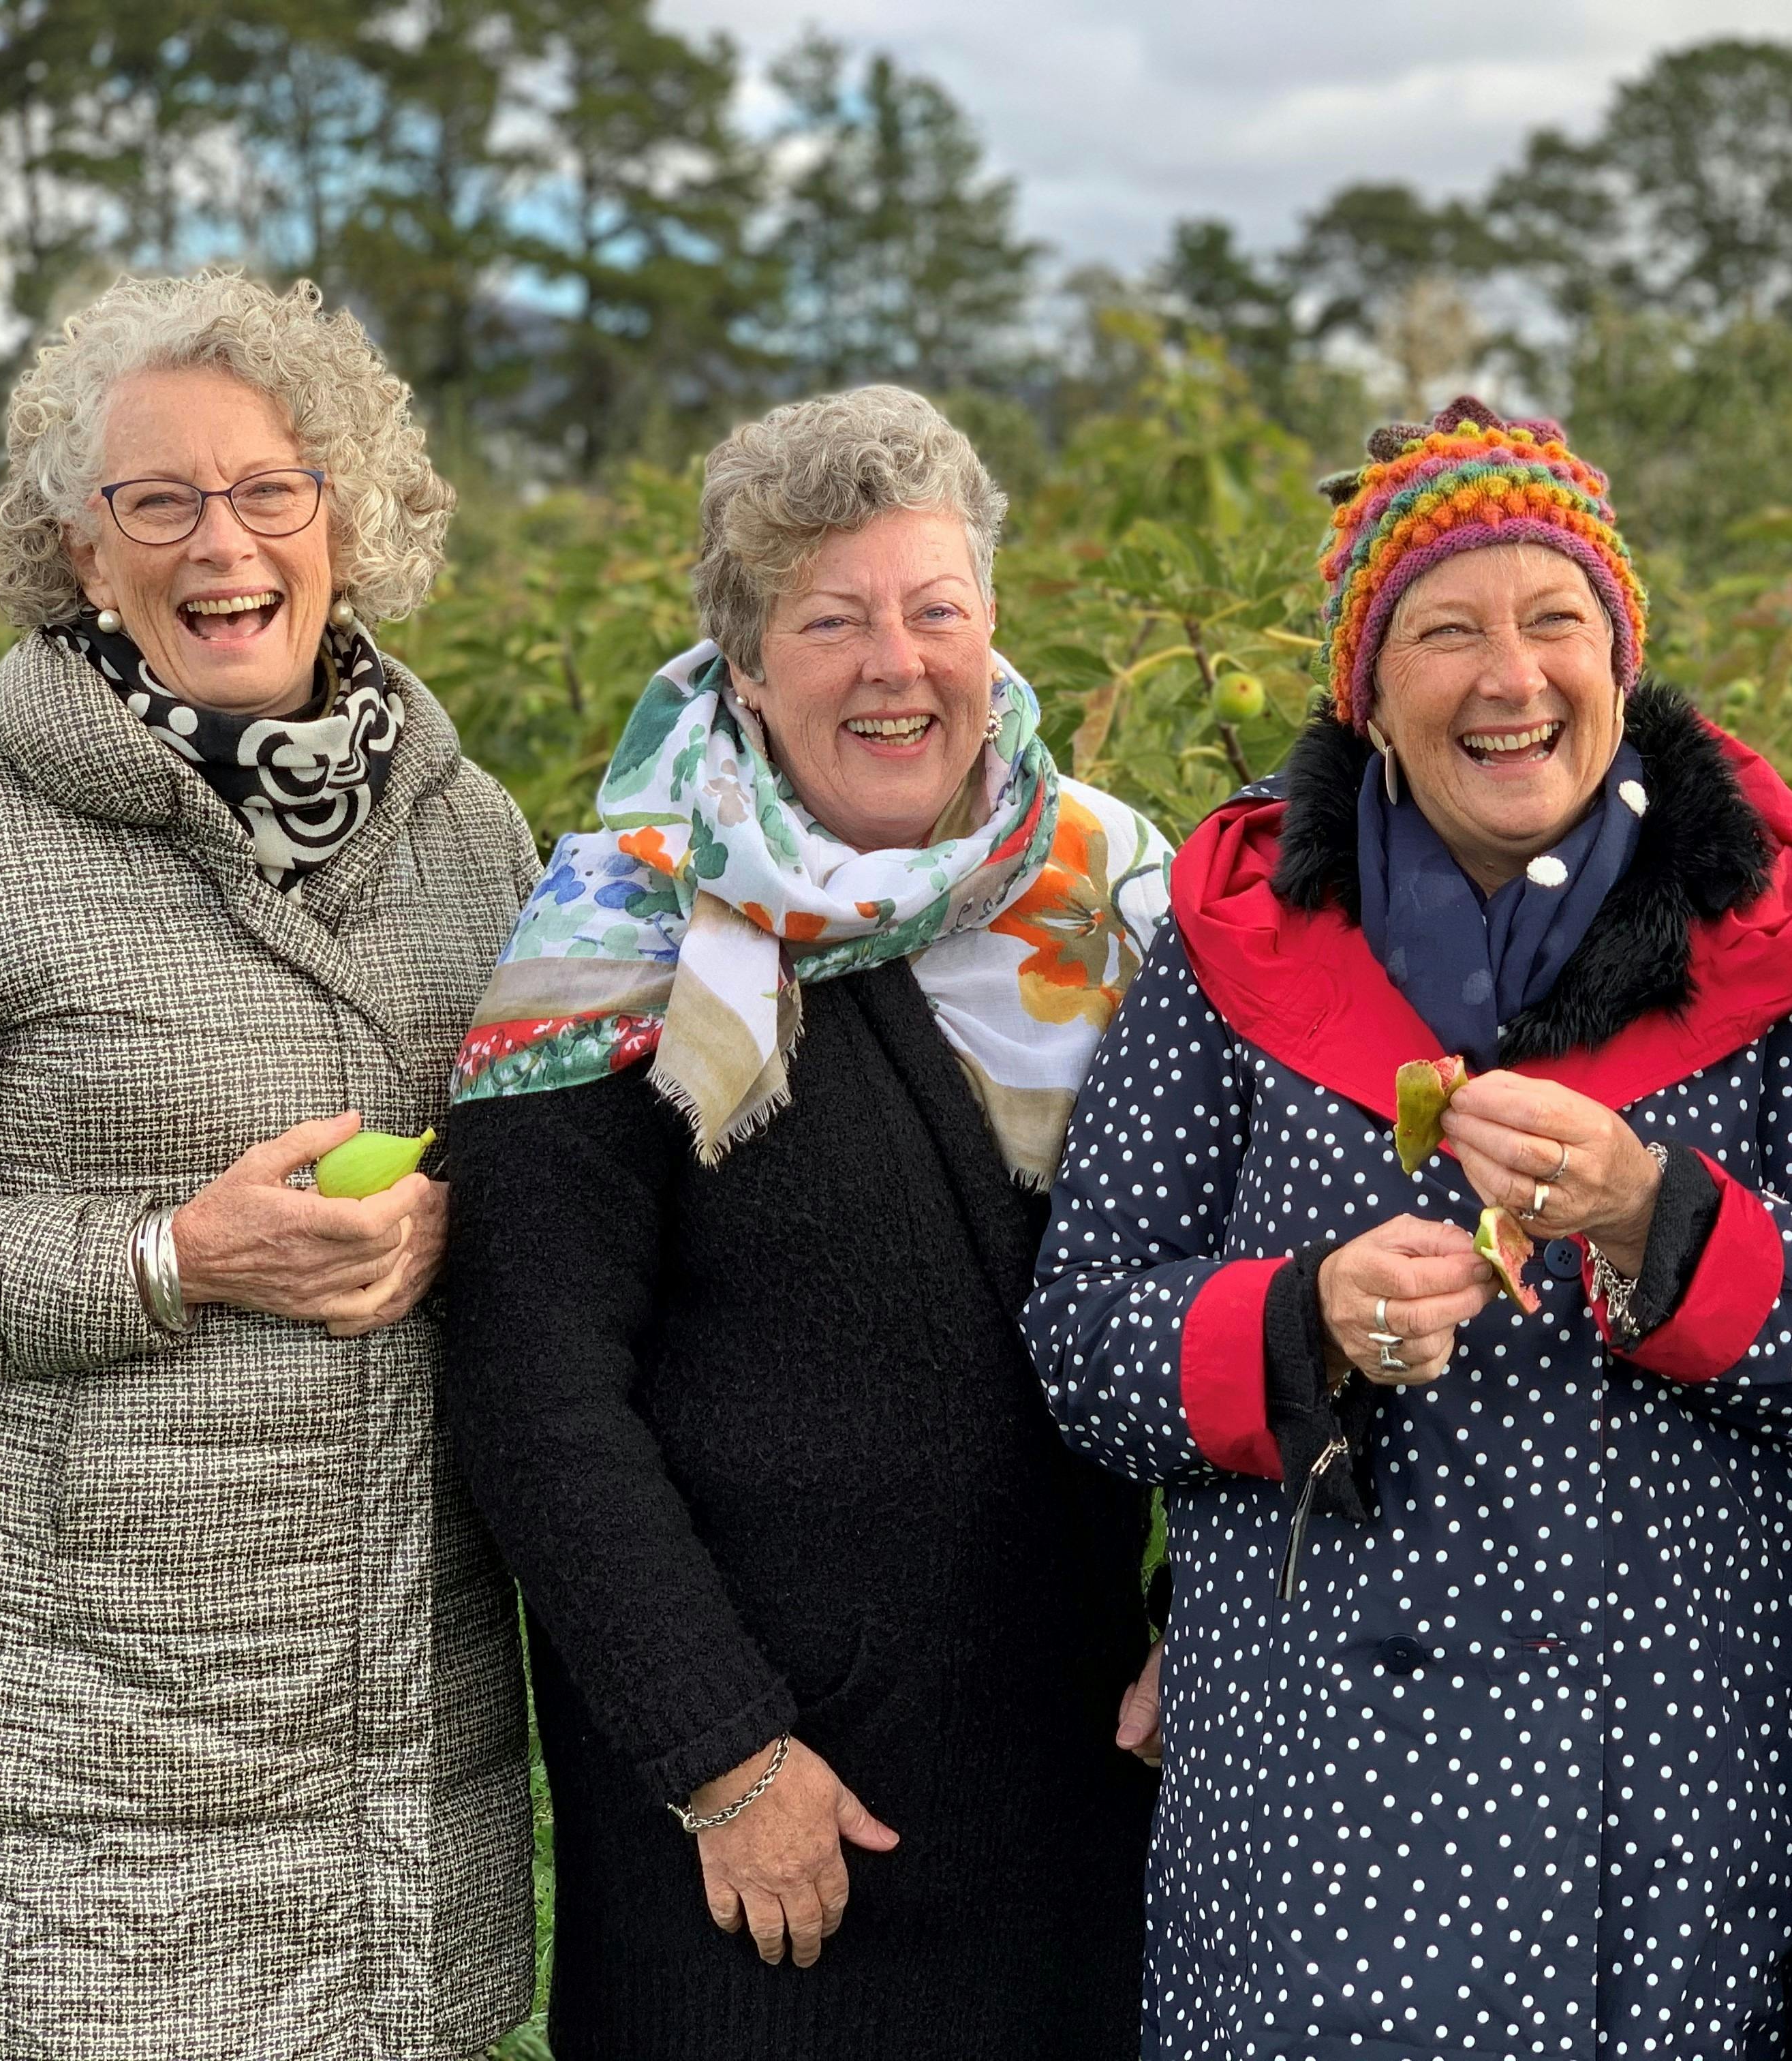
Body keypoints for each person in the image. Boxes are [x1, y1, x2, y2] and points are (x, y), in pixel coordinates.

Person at [1025, 397, 1792, 2060]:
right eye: (1447, 630)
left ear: (1621, 655)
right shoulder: (1237, 958)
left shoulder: (1771, 959)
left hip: (1667, 1816)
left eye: (1554, 621)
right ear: (1367, 692)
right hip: (1311, 1825)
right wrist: (1302, 1324)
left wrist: (1659, 1218)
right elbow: (1082, 1346)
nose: (1511, 680)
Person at [0, 267, 540, 2060]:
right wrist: (167, 1259)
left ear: (348, 519)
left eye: (268, 491)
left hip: (399, 1734)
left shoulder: (470, 835)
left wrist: (476, 1207)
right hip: (75, 1758)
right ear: (81, 549)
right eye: (156, 501)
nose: (219, 543)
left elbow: (539, 1166)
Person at [436, 385, 1171, 2060]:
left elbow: (1244, 1291)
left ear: (994, 630)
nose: (893, 663)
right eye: (830, 621)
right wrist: (721, 1753)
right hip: (757, 1816)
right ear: (747, 669)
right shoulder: (614, 926)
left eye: (935, 610)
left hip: (1071, 1772)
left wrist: (1208, 1632)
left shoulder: (1124, 900)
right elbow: (531, 1383)